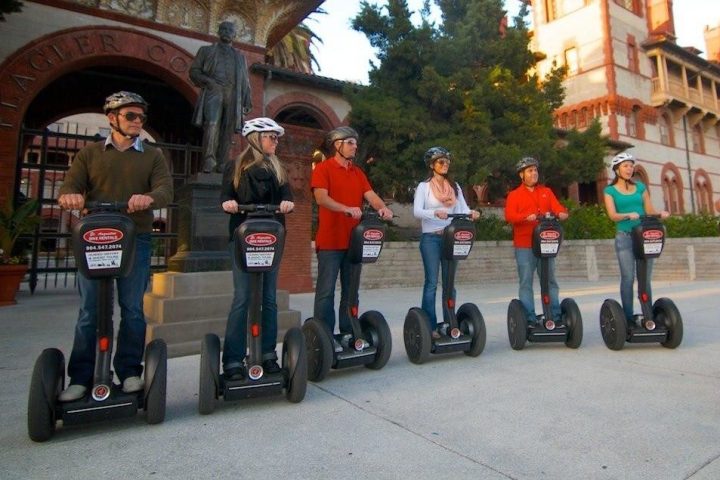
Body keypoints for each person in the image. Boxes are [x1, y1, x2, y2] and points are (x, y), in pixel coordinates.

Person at [57, 91, 174, 401]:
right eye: (130, 116)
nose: (138, 122)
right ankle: (81, 377)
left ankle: (130, 371)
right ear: (112, 118)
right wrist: (71, 197)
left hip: (136, 238)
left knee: (133, 309)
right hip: (96, 238)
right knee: (90, 311)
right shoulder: (90, 154)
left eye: (141, 117)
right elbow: (70, 186)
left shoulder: (152, 155)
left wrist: (149, 198)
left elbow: (165, 190)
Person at [219, 117, 293, 380]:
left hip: (271, 239)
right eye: (271, 137)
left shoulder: (278, 168)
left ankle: (268, 354)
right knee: (242, 298)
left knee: (269, 299)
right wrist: (229, 202)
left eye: (276, 137)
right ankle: (233, 360)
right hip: (242, 238)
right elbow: (225, 195)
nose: (275, 141)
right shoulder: (236, 166)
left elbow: (288, 196)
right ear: (255, 139)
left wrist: (286, 204)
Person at [311, 126, 393, 348]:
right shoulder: (323, 169)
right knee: (326, 291)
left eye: (355, 144)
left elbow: (371, 195)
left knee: (351, 292)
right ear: (337, 145)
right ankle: (324, 337)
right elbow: (321, 198)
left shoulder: (357, 173)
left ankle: (348, 333)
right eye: (350, 143)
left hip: (354, 243)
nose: (354, 147)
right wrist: (345, 208)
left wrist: (382, 208)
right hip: (330, 242)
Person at [413, 147, 480, 338]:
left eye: (447, 162)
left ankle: (451, 322)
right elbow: (417, 211)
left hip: (451, 238)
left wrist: (472, 213)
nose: (445, 165)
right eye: (441, 162)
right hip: (431, 239)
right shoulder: (424, 187)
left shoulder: (455, 187)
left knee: (450, 283)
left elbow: (463, 208)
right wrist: (434, 212)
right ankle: (430, 326)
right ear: (432, 165)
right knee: (432, 282)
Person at [603, 152, 669, 326]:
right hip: (624, 237)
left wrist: (660, 214)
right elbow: (612, 215)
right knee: (628, 277)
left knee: (645, 278)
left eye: (631, 166)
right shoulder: (609, 191)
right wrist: (627, 215)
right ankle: (627, 317)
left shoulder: (640, 187)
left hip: (644, 236)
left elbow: (648, 210)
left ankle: (648, 315)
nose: (629, 169)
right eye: (625, 166)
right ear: (617, 169)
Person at [504, 157, 568, 325]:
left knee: (550, 280)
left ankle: (555, 315)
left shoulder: (546, 191)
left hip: (546, 243)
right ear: (521, 175)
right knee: (526, 281)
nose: (534, 173)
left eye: (535, 170)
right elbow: (509, 216)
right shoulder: (514, 195)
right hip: (524, 245)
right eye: (530, 171)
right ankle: (529, 319)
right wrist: (525, 217)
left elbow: (558, 207)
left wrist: (562, 213)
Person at [190, 21, 253, 174]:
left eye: (229, 30)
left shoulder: (240, 57)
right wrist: (209, 82)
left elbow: (245, 80)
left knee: (228, 129)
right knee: (212, 125)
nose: (226, 32)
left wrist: (247, 100)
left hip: (233, 95)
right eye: (223, 29)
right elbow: (194, 72)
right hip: (214, 91)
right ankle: (209, 161)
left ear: (234, 35)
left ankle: (223, 164)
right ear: (218, 32)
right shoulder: (206, 51)